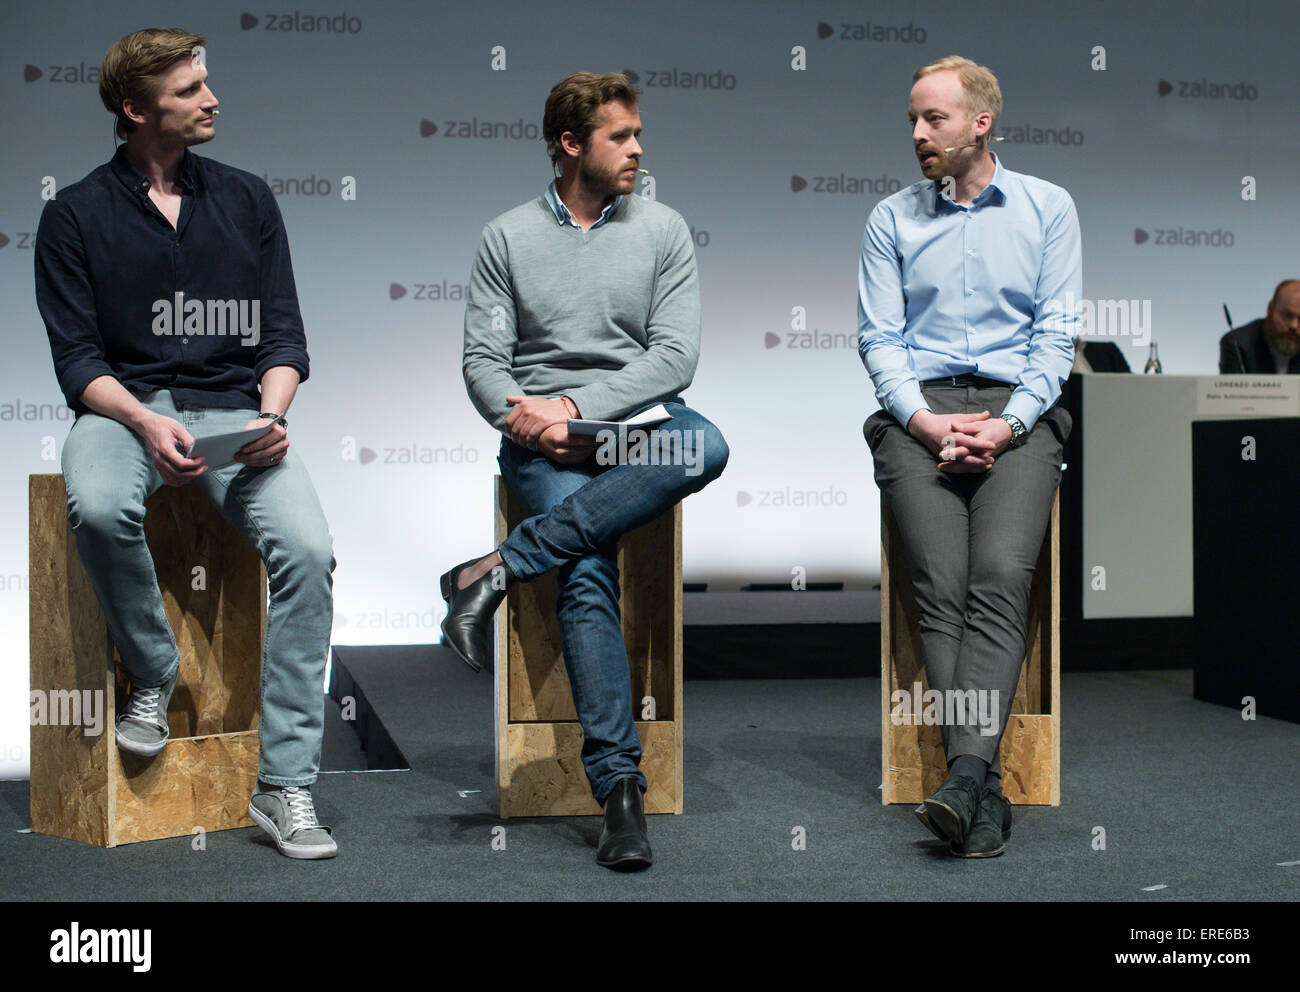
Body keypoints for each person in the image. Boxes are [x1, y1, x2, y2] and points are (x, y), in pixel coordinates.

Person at [34, 28, 337, 859]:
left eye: (207, 83)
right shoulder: (75, 214)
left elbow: (284, 336)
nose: (211, 99)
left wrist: (272, 416)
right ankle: (153, 668)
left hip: (235, 410)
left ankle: (285, 785)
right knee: (95, 507)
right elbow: (77, 360)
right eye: (190, 89)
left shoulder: (247, 199)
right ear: (136, 109)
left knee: (309, 554)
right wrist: (140, 418)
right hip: (122, 411)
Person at [443, 71, 728, 871]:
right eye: (621, 137)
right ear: (572, 144)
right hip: (542, 439)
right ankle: (620, 793)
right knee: (586, 573)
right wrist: (533, 421)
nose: (638, 150)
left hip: (632, 428)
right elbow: (483, 364)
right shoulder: (507, 237)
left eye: (638, 135)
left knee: (706, 444)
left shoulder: (664, 229)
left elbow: (675, 358)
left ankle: (499, 570)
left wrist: (579, 406)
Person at [858, 55, 1078, 858]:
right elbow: (879, 339)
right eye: (913, 120)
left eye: (934, 119)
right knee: (941, 589)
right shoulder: (891, 219)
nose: (918, 134)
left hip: (1018, 414)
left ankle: (962, 779)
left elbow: (1056, 338)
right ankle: (978, 785)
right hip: (917, 416)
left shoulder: (1048, 208)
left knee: (997, 579)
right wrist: (921, 421)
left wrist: (1010, 423)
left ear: (980, 123)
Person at [1219, 280, 1300, 373]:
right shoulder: (1237, 344)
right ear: (1270, 309)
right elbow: (1231, 387)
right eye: (1287, 315)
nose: (1293, 325)